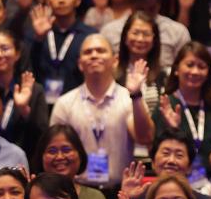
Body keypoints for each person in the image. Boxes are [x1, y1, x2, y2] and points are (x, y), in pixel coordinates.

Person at [50, 34, 154, 190]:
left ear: (115, 60)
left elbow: (145, 138)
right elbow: (53, 153)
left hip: (120, 190)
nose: (94, 55)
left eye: (100, 50)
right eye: (88, 52)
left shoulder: (129, 99)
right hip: (78, 190)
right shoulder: (64, 103)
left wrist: (136, 96)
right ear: (80, 63)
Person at [154, 41, 211, 191]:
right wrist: (173, 129)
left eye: (201, 67)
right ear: (176, 69)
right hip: (174, 187)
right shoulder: (166, 105)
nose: (195, 71)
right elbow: (155, 151)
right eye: (190, 65)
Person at [30, 124, 109, 199]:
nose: (60, 157)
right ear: (41, 157)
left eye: (66, 150)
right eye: (52, 151)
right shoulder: (33, 198)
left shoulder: (97, 198)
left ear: (80, 154)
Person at [28, 0, 98, 102]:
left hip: (79, 104)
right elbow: (28, 68)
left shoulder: (90, 36)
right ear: (48, 0)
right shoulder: (35, 33)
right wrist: (38, 38)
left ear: (77, 1)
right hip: (41, 104)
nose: (61, 0)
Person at [101, 0, 191, 72]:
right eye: (140, 9)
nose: (145, 14)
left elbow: (186, 66)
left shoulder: (178, 32)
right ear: (130, 3)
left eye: (151, 9)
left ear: (159, 3)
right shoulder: (110, 31)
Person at [0, 27, 47, 152]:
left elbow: (42, 137)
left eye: (5, 49)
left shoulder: (33, 90)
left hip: (22, 161)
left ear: (17, 54)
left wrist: (24, 111)